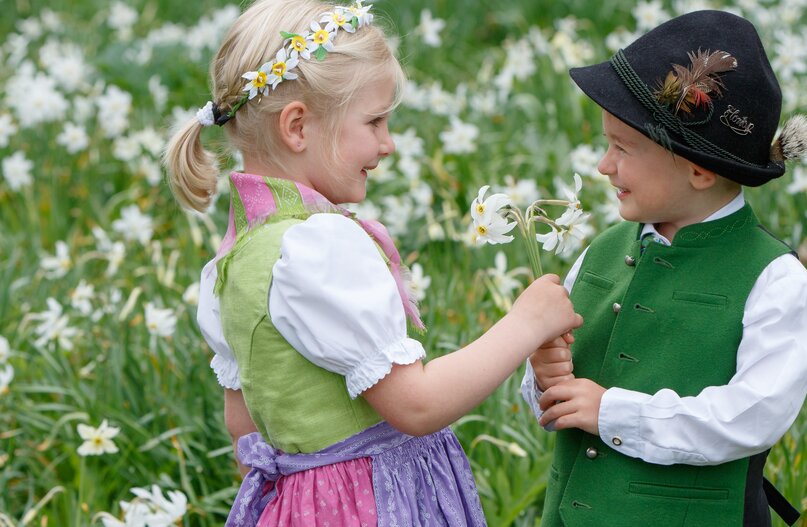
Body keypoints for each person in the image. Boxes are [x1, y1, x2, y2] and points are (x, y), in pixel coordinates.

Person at [163, 1, 583, 525]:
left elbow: (244, 431)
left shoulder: (230, 263)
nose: (388, 144)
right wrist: (526, 323)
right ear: (298, 127)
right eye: (375, 121)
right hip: (377, 502)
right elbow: (417, 405)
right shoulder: (319, 247)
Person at [520, 10, 807, 527]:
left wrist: (614, 413)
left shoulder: (776, 282)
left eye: (622, 148)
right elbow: (560, 402)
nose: (603, 165)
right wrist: (543, 376)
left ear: (699, 171)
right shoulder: (600, 253)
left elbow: (751, 417)